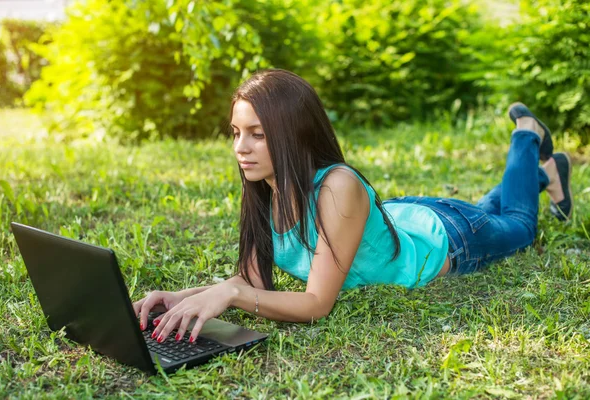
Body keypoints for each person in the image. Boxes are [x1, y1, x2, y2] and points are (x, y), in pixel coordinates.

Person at [133, 69, 574, 344]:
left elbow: (315, 304)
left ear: (291, 134)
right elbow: (251, 280)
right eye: (235, 132)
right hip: (399, 219)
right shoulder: (265, 187)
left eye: (258, 134)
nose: (240, 148)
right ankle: (541, 175)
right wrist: (180, 298)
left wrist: (229, 295)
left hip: (448, 239)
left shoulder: (337, 186)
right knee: (490, 211)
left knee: (516, 223)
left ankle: (527, 135)